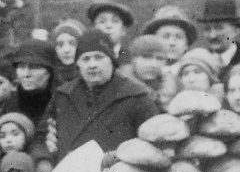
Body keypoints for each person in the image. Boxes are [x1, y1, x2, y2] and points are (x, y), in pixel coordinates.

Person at [45, 30, 160, 161]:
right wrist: (44, 164)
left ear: (112, 61)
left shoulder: (137, 97)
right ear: (78, 64)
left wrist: (118, 157)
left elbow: (154, 145)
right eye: (86, 59)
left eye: (99, 57)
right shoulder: (63, 95)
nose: (92, 65)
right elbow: (42, 136)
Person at [0, 37, 60, 132]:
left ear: (49, 72)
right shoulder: (10, 105)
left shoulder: (63, 102)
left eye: (34, 67)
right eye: (21, 67)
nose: (26, 74)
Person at [119, 34, 174, 107]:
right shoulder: (118, 87)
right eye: (146, 57)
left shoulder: (171, 86)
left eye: (159, 58)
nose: (154, 64)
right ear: (133, 59)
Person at [198, 0, 240, 71]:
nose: (212, 35)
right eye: (207, 29)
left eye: (219, 28)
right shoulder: (199, 63)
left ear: (235, 30)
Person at [50, 18, 86, 84]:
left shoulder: (90, 78)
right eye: (60, 45)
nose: (66, 50)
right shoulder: (49, 79)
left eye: (72, 43)